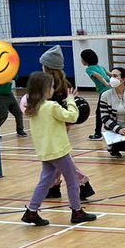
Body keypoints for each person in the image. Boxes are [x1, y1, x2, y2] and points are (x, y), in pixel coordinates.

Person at [21, 72, 97, 226]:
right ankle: (77, 211)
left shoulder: (33, 108)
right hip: (58, 151)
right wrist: (71, 101)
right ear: (44, 89)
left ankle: (31, 211)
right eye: (51, 87)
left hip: (45, 151)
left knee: (45, 182)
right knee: (72, 181)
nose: (53, 89)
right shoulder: (51, 106)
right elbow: (72, 117)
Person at [39, 45, 95, 201]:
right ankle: (54, 187)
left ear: (47, 66)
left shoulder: (47, 85)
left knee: (58, 158)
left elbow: (44, 107)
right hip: (65, 123)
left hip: (54, 125)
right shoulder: (65, 83)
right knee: (55, 156)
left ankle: (83, 183)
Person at [80, 47, 111, 140]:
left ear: (86, 60)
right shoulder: (100, 66)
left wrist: (106, 84)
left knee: (99, 113)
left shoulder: (89, 69)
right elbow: (109, 74)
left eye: (82, 58)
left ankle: (98, 134)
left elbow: (98, 76)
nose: (81, 60)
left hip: (104, 92)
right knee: (109, 111)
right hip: (110, 91)